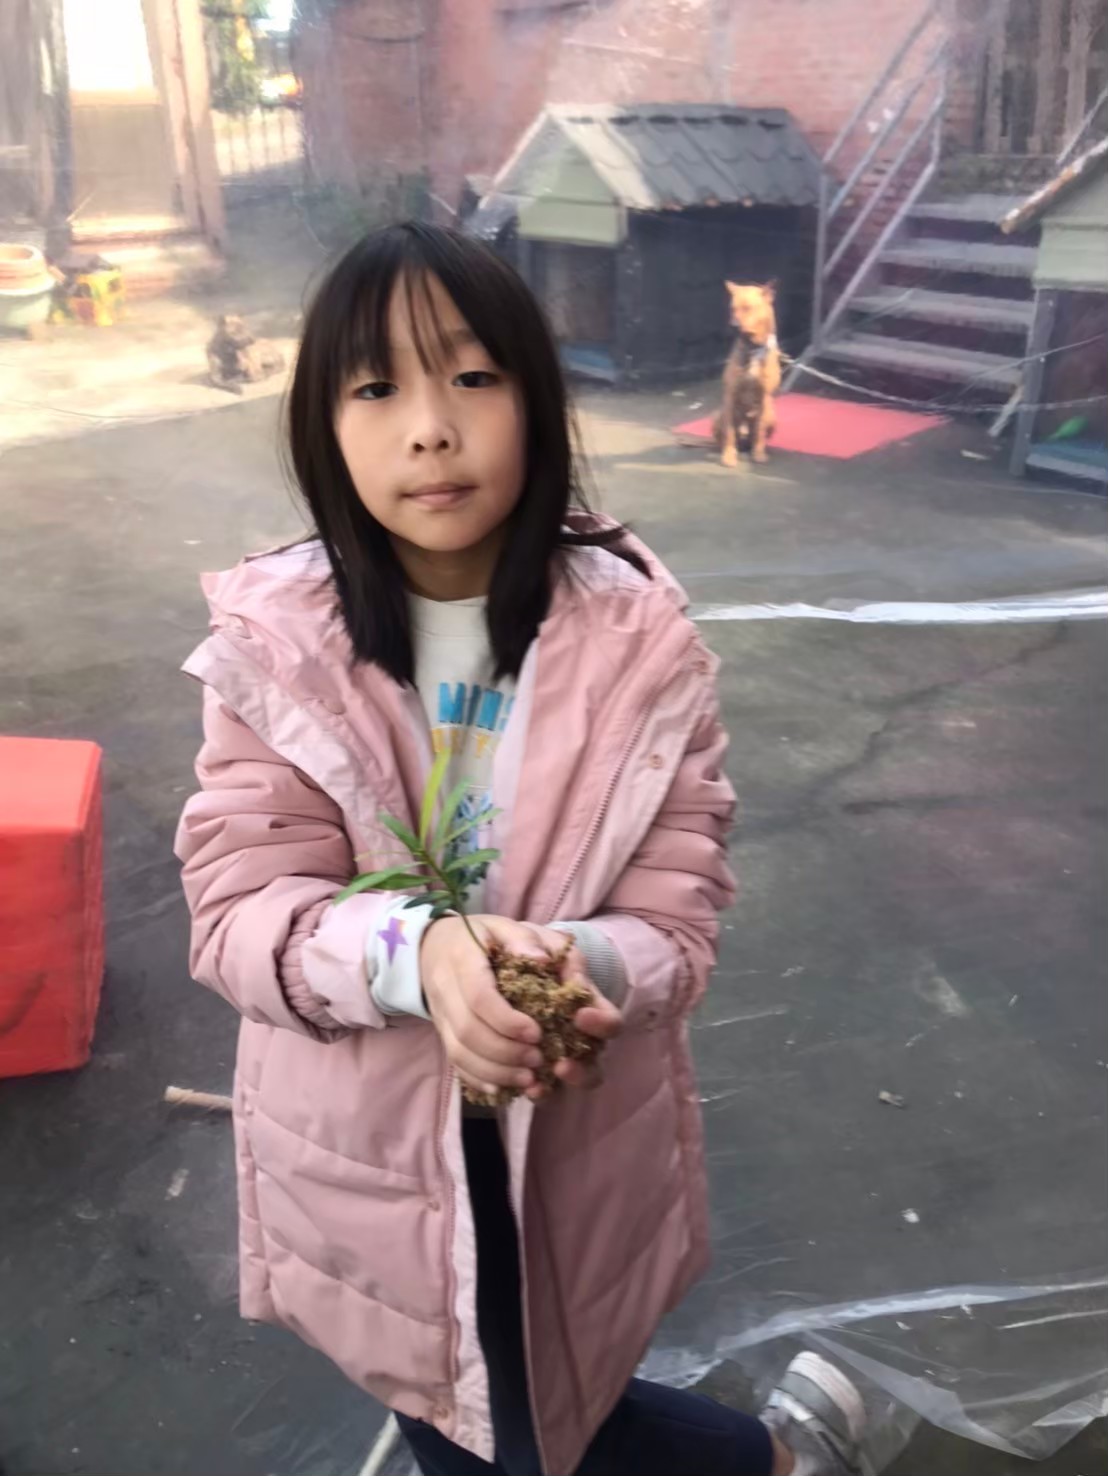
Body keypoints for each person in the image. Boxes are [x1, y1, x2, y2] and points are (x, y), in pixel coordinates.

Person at [175, 222, 868, 1476]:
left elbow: (679, 916)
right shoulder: (278, 647)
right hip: (368, 1149)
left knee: (535, 1400)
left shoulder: (639, 644)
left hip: (571, 1133)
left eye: (472, 375)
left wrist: (568, 970)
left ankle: (768, 1458)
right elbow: (239, 913)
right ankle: (772, 1458)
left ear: (538, 402)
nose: (429, 429)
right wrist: (419, 958)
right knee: (468, 1403)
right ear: (322, 428)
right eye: (375, 388)